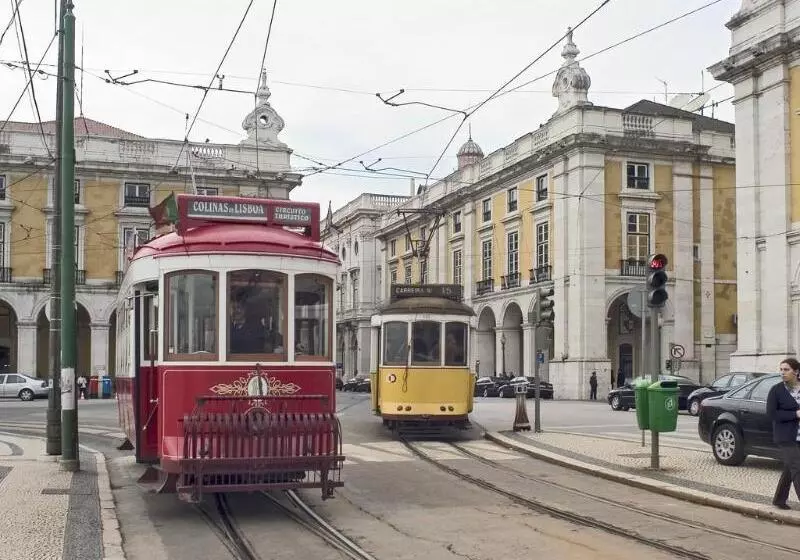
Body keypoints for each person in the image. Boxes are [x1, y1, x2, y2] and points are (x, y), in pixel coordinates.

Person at [767, 357, 800, 510]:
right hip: (786, 436)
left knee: (789, 467)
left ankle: (779, 499)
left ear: (796, 371)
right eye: (781, 369)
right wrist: (795, 414)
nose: (782, 372)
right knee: (797, 467)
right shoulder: (776, 390)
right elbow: (772, 414)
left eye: (786, 369)